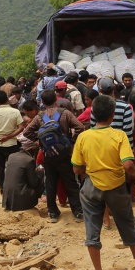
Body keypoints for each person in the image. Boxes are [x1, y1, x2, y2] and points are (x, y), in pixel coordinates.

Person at [71, 95, 135, 270]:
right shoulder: (119, 136)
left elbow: (77, 168)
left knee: (92, 229)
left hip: (91, 185)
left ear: (93, 114)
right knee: (127, 223)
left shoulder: (83, 137)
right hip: (117, 185)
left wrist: (89, 171)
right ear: (112, 115)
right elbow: (128, 165)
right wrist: (134, 178)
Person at [22, 89, 84, 223]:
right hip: (65, 154)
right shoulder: (65, 113)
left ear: (43, 103)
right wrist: (71, 142)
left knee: (50, 183)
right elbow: (80, 127)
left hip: (48, 155)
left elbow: (27, 132)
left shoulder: (39, 117)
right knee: (70, 182)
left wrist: (39, 142)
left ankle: (53, 213)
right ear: (56, 100)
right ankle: (77, 211)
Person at [0, 90, 25, 191]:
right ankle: (13, 187)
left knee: (0, 168)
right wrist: (9, 137)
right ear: (7, 99)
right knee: (13, 167)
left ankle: (2, 189)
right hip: (12, 143)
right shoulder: (15, 112)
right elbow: (21, 128)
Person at [2, 139, 46, 211]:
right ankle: (32, 201)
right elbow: (34, 183)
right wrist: (39, 172)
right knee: (41, 173)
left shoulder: (11, 156)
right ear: (32, 150)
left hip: (8, 199)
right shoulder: (29, 160)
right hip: (21, 200)